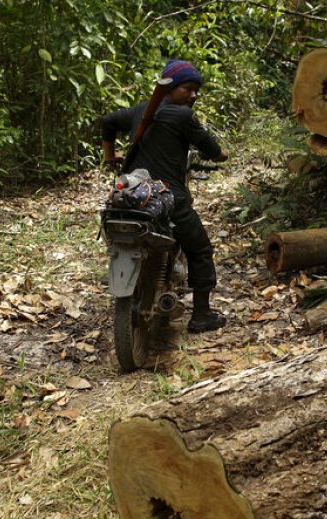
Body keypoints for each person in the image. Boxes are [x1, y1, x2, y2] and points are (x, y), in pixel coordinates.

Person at [100, 59, 229, 333]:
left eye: (196, 90)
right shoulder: (183, 117)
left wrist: (110, 157)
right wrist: (221, 156)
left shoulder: (140, 112)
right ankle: (202, 315)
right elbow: (212, 149)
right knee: (201, 250)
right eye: (188, 89)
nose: (193, 95)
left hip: (134, 195)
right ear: (169, 88)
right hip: (170, 197)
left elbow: (108, 121)